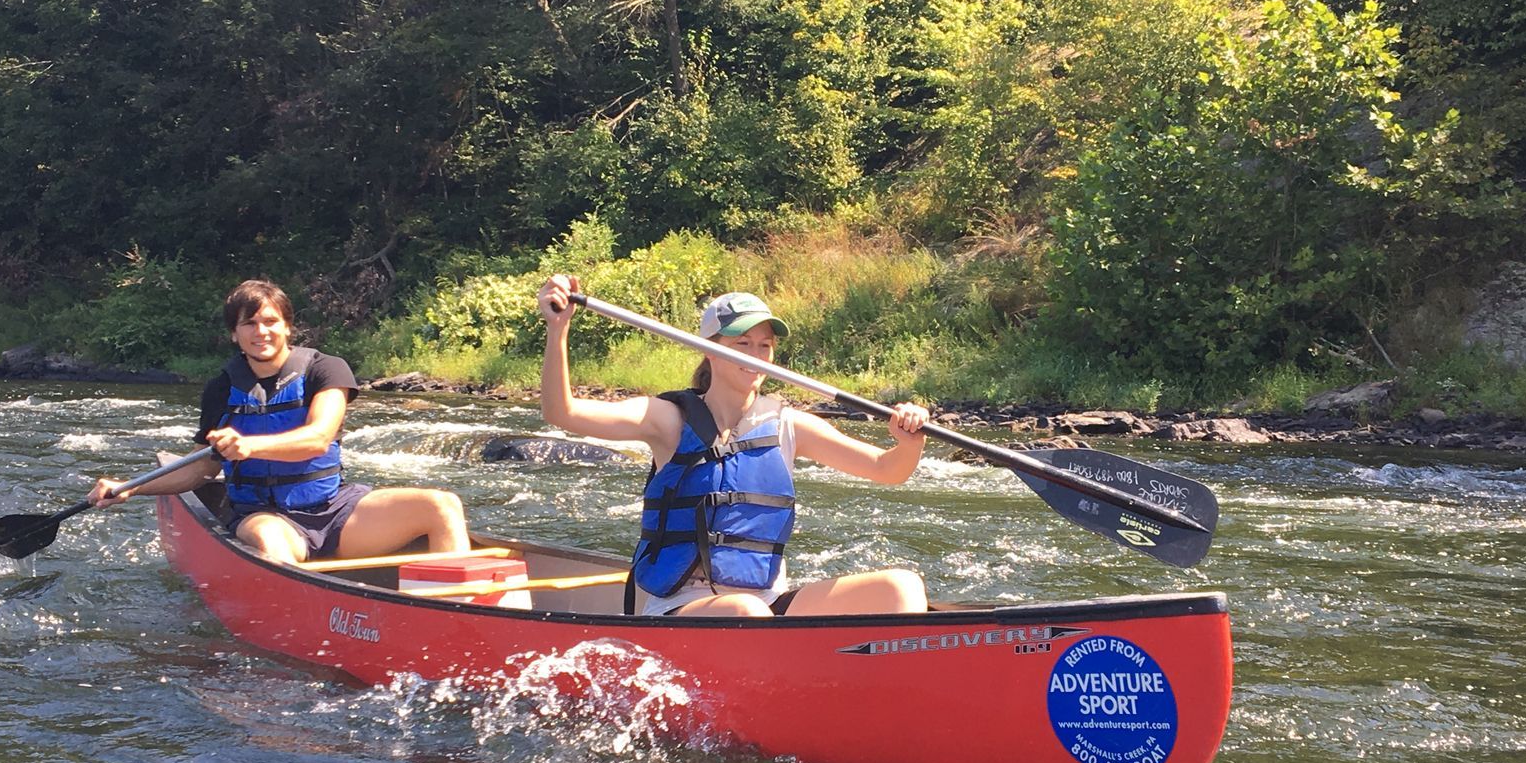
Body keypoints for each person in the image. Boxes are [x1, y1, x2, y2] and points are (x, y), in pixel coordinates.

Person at [537, 274, 929, 617]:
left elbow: (886, 469)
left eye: (765, 345)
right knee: (746, 611)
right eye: (742, 343)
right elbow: (563, 412)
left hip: (765, 603)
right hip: (683, 608)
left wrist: (908, 442)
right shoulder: (666, 419)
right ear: (711, 348)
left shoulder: (789, 426)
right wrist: (559, 331)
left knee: (902, 588)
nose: (757, 356)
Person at [88, 279, 469, 564]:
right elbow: (198, 471)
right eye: (249, 323)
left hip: (335, 511)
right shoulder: (222, 388)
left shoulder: (326, 369)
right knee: (272, 544)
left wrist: (250, 445)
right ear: (235, 334)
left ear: (288, 326)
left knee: (443, 505)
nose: (261, 331)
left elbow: (318, 438)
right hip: (264, 515)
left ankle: (461, 615)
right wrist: (131, 488)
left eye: (271, 321)